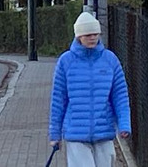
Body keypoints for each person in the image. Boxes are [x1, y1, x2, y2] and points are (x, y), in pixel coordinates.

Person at [48, 11, 131, 166]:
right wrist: (55, 133)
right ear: (79, 36)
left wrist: (124, 123)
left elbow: (120, 96)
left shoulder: (110, 60)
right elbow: (58, 100)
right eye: (88, 35)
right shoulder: (66, 62)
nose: (92, 38)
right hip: (76, 133)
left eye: (95, 34)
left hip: (104, 130)